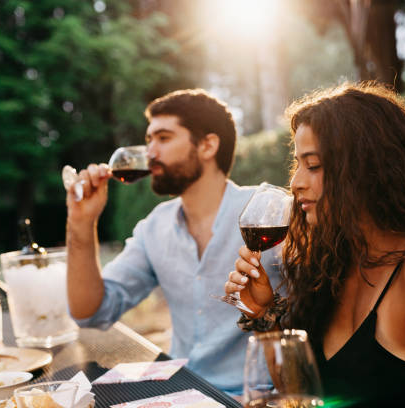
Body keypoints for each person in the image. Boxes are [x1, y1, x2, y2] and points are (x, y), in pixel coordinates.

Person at [225, 82, 405, 407]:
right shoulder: (334, 264)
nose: (295, 182)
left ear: (365, 170)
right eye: (298, 165)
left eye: (314, 166)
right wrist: (263, 314)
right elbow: (302, 395)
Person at [65, 89, 280, 395]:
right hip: (181, 392)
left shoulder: (267, 215)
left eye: (163, 138)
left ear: (207, 145)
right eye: (149, 139)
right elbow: (90, 312)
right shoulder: (155, 227)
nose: (150, 152)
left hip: (258, 398)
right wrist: (81, 223)